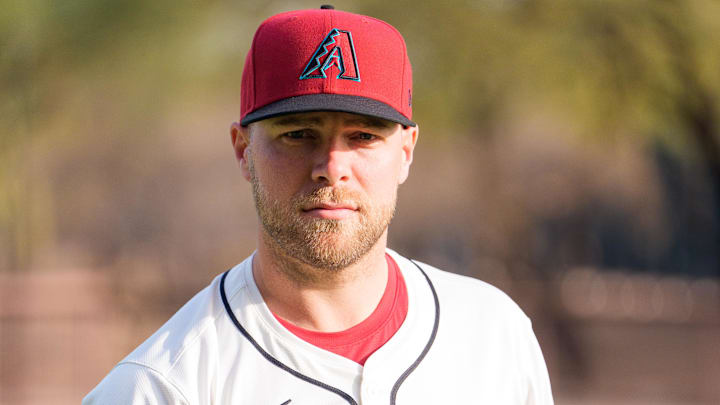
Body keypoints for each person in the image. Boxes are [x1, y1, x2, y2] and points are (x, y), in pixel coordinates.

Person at [84, 5, 553, 404]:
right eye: (298, 134)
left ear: (406, 151)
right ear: (243, 149)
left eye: (363, 136)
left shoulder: (494, 335)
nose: (331, 166)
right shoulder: (161, 387)